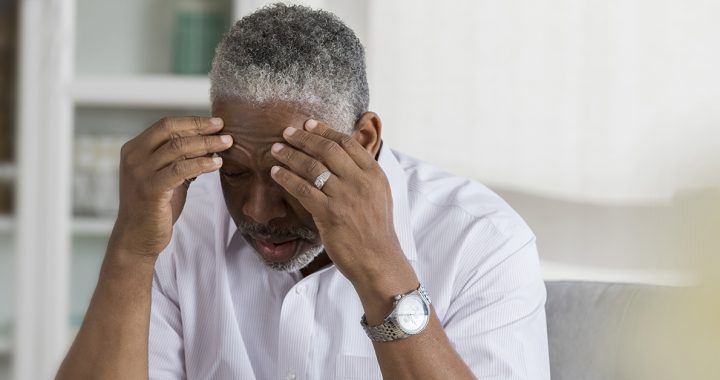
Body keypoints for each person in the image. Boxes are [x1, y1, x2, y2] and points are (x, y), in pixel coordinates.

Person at [57, 4, 549, 379]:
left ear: (364, 142)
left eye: (287, 175)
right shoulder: (178, 222)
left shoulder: (483, 240)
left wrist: (381, 268)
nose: (256, 210)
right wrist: (131, 250)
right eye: (232, 173)